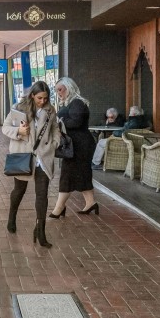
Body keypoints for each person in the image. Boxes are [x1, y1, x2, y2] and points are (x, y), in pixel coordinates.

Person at [1, 81, 60, 247]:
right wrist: (18, 131)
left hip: (43, 157)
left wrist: (54, 143)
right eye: (39, 98)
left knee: (42, 195)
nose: (43, 101)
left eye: (45, 98)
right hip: (24, 155)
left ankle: (40, 231)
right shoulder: (19, 108)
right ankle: (12, 216)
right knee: (19, 190)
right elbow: (5, 127)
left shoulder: (50, 110)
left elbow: (55, 128)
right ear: (32, 95)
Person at [50, 77, 99, 217]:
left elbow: (76, 122)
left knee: (67, 174)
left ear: (69, 87)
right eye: (56, 90)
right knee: (82, 173)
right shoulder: (71, 103)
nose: (58, 93)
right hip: (76, 145)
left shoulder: (77, 103)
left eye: (60, 89)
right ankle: (91, 203)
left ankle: (59, 208)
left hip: (80, 146)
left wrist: (59, 122)